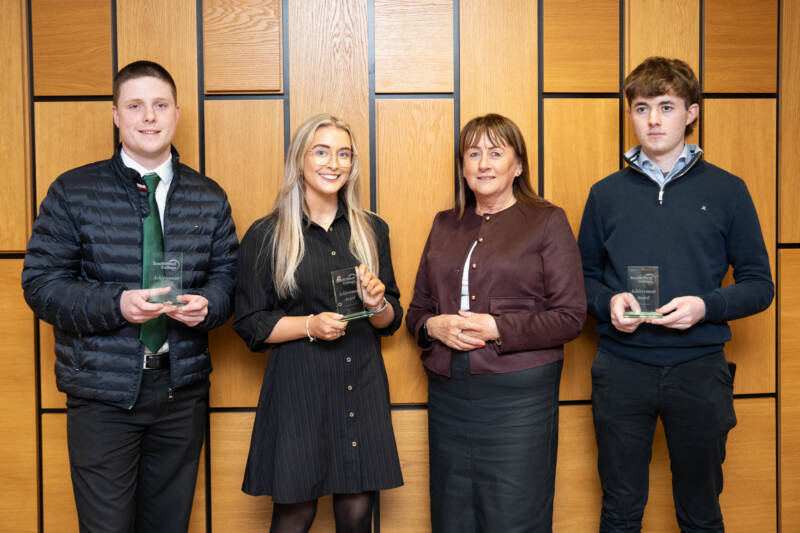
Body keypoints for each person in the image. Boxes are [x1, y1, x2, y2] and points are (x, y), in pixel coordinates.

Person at [21, 60, 237, 532]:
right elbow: (41, 285)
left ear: (176, 113)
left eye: (160, 105)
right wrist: (117, 304)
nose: (149, 117)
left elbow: (227, 280)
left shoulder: (209, 197)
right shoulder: (73, 192)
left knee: (169, 525)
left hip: (181, 393)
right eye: (135, 106)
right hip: (102, 395)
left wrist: (208, 306)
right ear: (116, 114)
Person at [577, 57, 774, 532]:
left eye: (666, 107)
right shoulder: (605, 194)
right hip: (621, 368)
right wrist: (608, 303)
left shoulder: (728, 191)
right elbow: (581, 279)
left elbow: (759, 285)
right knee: (620, 511)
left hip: (699, 369)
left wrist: (706, 306)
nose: (654, 120)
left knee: (701, 513)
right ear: (630, 114)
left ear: (691, 113)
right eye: (642, 108)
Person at [406, 113, 586, 533]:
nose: (483, 164)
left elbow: (571, 316)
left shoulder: (547, 221)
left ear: (518, 165)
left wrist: (499, 327)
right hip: (450, 394)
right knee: (452, 517)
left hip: (519, 399)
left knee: (513, 517)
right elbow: (416, 311)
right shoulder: (444, 223)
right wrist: (433, 327)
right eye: (473, 154)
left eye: (495, 153)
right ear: (463, 166)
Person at [233, 113, 403, 533]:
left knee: (357, 512)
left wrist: (377, 303)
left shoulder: (372, 229)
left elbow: (390, 319)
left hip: (361, 382)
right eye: (322, 152)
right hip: (299, 390)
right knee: (295, 513)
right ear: (300, 159)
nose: (334, 163)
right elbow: (250, 322)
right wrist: (309, 325)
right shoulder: (268, 234)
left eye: (344, 154)